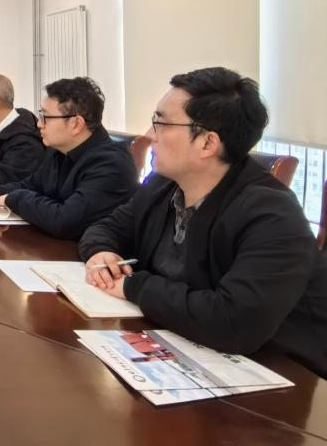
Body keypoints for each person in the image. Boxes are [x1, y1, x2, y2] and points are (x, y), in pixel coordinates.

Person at [80, 68, 327, 378]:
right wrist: (101, 252)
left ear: (208, 143)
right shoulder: (163, 184)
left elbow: (235, 323)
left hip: (276, 375)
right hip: (185, 346)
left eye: (161, 123)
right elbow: (107, 228)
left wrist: (134, 286)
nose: (149, 135)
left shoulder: (273, 215)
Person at [0, 77, 138, 240]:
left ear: (76, 124)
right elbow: (31, 185)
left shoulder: (112, 164)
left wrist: (14, 198)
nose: (39, 124)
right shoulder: (58, 150)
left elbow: (65, 221)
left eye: (45, 117)